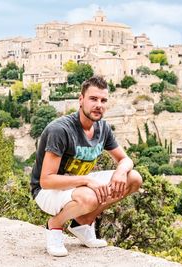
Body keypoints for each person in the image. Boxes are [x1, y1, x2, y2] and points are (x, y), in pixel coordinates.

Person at [30, 75, 143, 257]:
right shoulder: (60, 130)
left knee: (134, 178)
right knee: (90, 196)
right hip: (48, 192)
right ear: (81, 100)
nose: (99, 104)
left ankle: (83, 223)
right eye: (93, 99)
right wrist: (87, 181)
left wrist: (121, 171)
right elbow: (46, 181)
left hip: (77, 186)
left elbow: (126, 160)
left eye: (103, 100)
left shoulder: (102, 128)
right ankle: (55, 225)